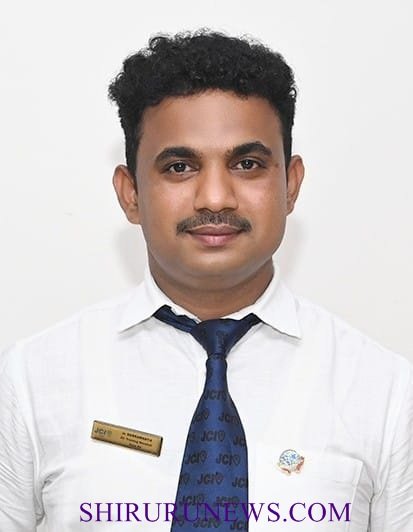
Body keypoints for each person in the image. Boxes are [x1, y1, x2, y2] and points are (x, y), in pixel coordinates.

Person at [0, 29, 412, 532]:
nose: (215, 197)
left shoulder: (386, 393)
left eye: (247, 164)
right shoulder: (30, 382)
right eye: (179, 167)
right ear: (131, 194)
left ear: (290, 184)